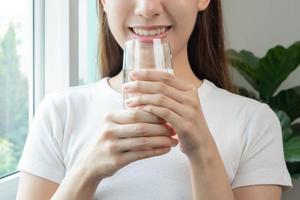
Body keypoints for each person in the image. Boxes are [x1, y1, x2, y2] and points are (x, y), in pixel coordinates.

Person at [16, 0, 292, 199]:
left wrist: (202, 150)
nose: (147, 8)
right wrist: (89, 169)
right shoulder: (60, 112)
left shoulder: (254, 121)